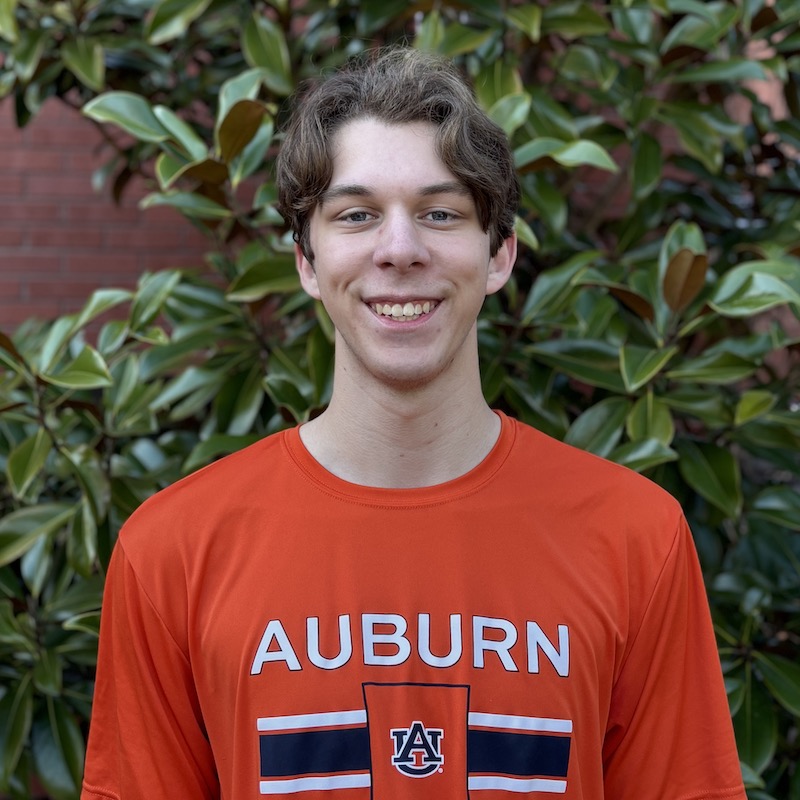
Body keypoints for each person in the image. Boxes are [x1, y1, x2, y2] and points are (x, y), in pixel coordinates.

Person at [81, 47, 745, 800]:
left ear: (498, 256)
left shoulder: (635, 538)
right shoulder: (173, 552)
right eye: (357, 215)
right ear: (306, 260)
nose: (400, 250)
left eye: (440, 213)